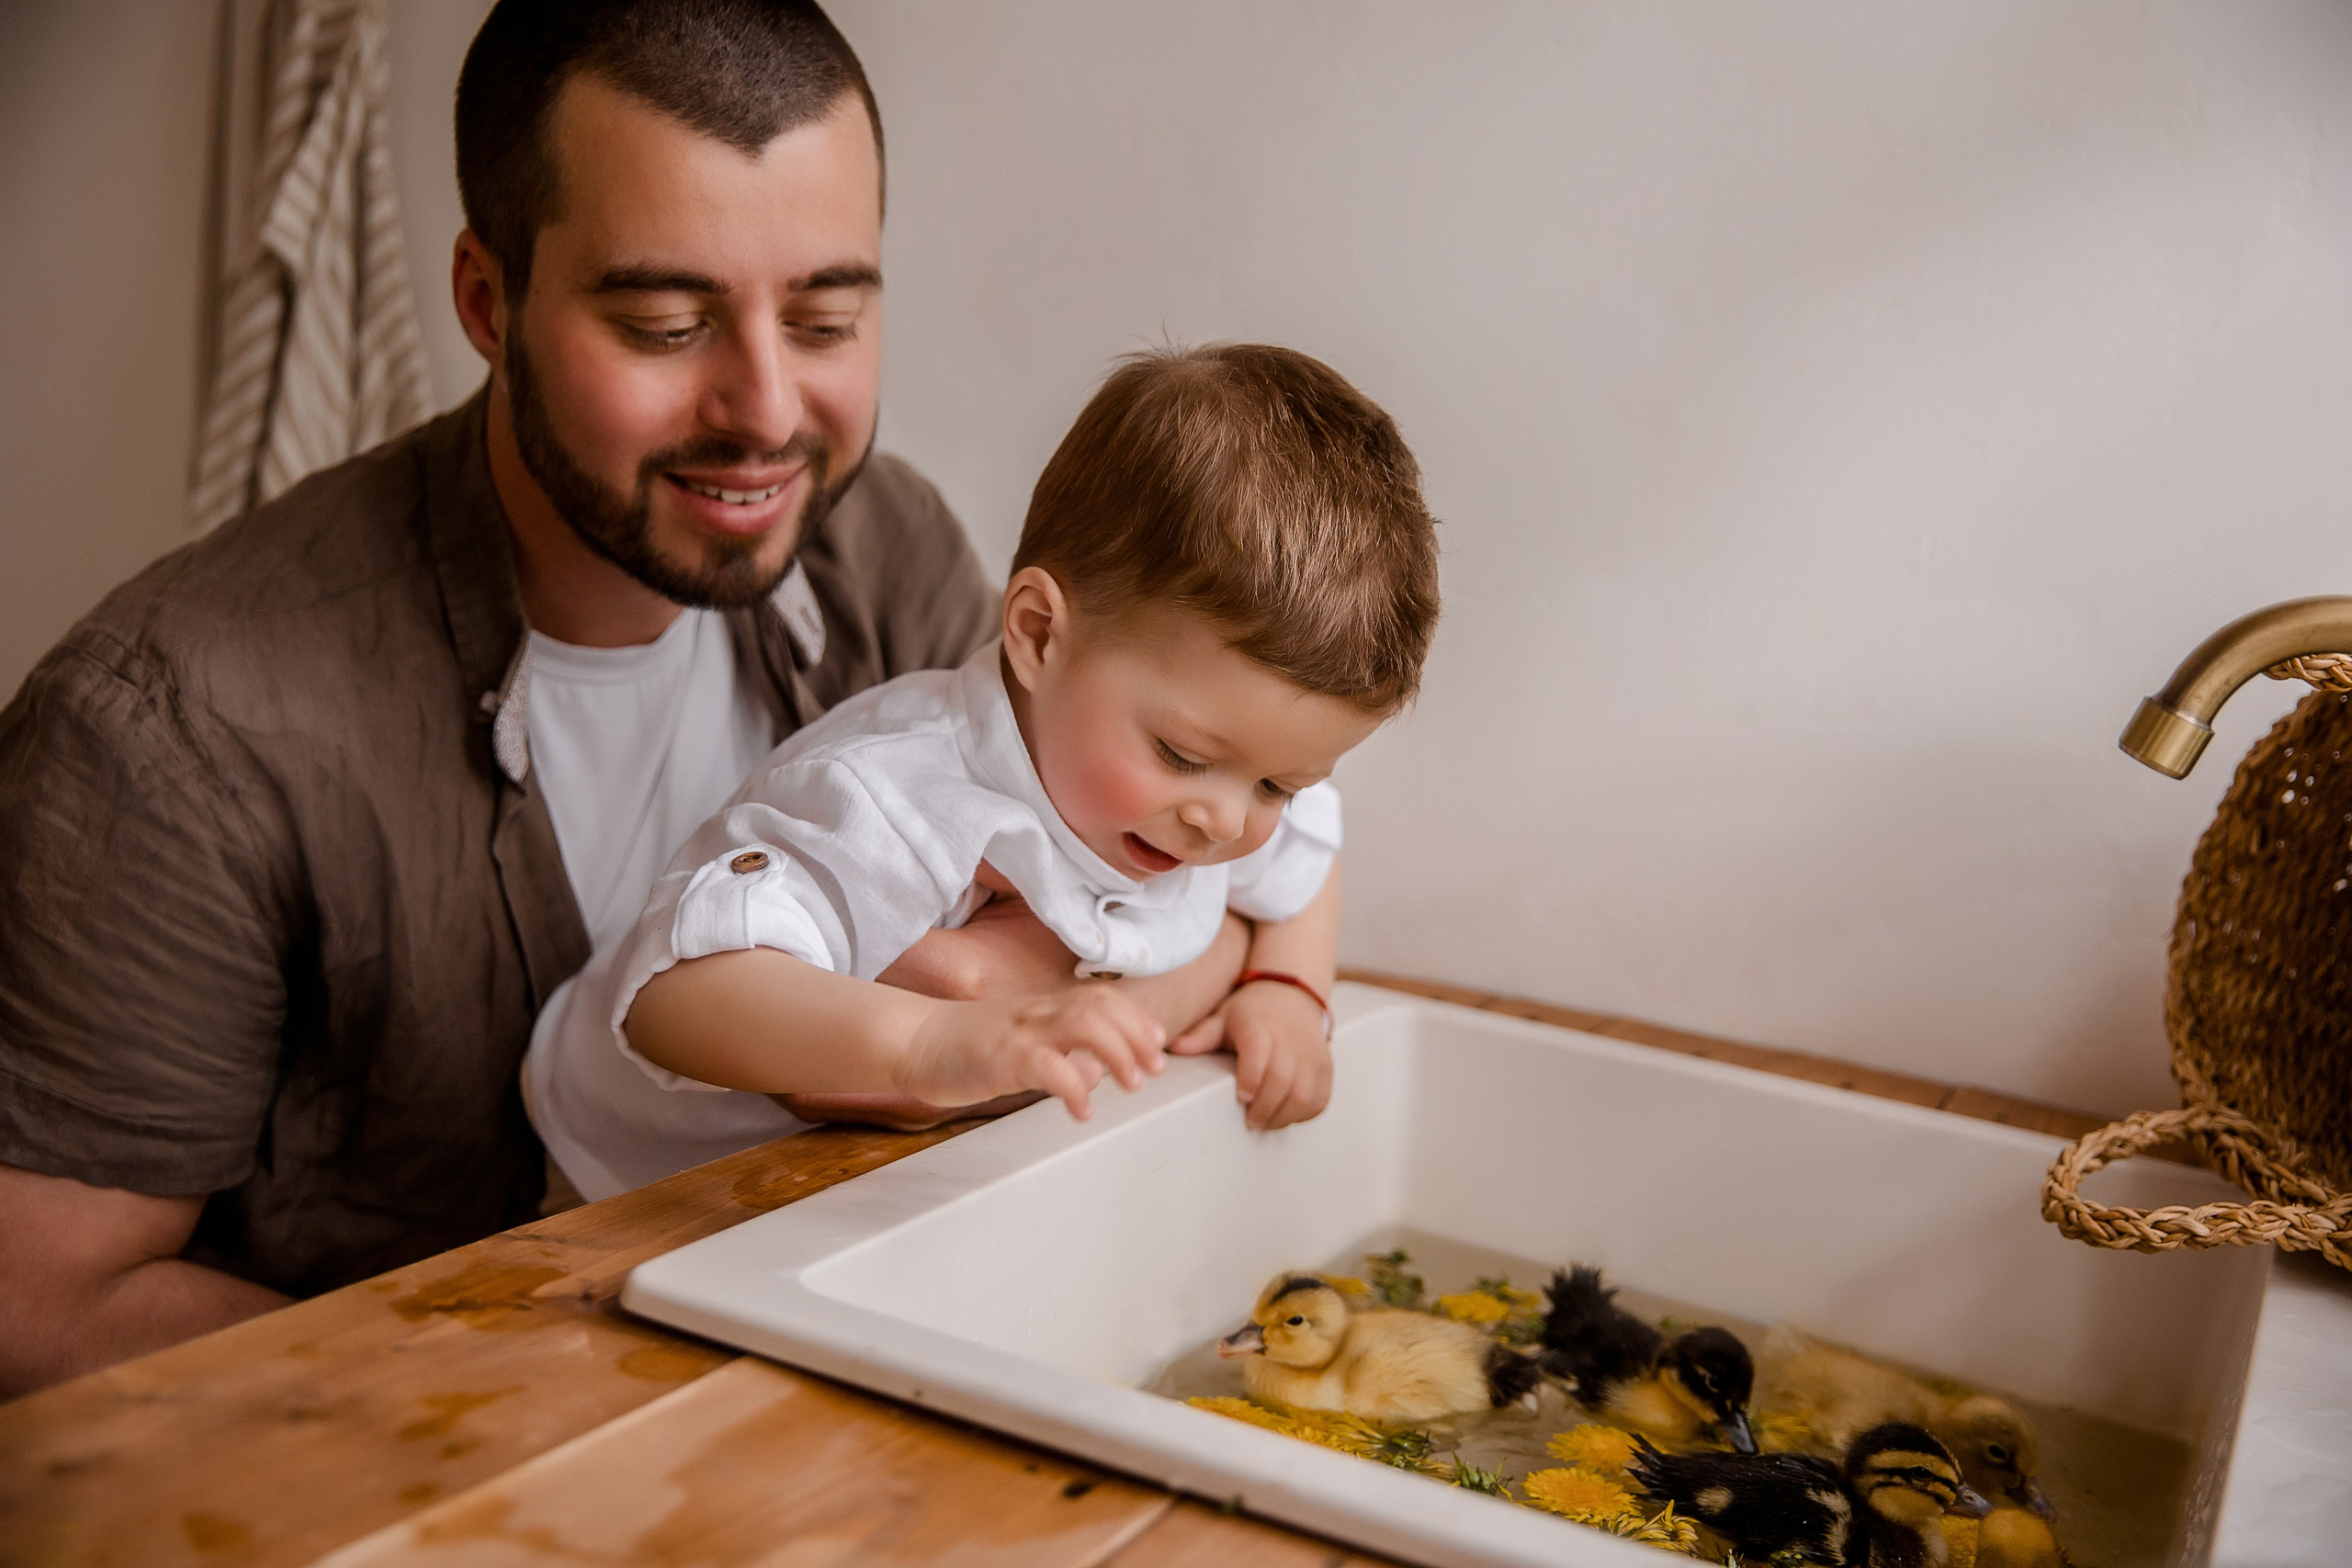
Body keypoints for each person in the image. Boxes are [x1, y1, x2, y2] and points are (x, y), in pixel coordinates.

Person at [0, 0, 1246, 1398]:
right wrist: (524, 1396)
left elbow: (1112, 919)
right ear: (489, 304)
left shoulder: (885, 548)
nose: (765, 411)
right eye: (665, 324)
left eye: (826, 318)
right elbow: (37, 1306)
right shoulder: (175, 731)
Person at [526, 344, 1441, 1199]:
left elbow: (1305, 856)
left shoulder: (1210, 781)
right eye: (1183, 757)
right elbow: (674, 994)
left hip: (844, 1182)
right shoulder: (898, 797)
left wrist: (1288, 988)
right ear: (1038, 635)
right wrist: (928, 1041)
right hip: (625, 1172)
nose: (1227, 824)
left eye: (1278, 786)